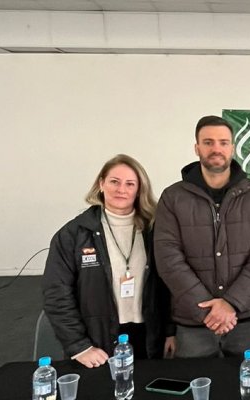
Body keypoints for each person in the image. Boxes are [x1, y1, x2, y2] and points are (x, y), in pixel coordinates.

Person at [154, 115, 250, 358]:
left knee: (248, 387)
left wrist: (231, 303)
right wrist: (209, 310)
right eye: (208, 142)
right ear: (197, 147)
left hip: (245, 317)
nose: (216, 149)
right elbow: (168, 258)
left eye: (223, 142)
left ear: (232, 147)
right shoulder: (172, 197)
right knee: (197, 390)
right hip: (192, 320)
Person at [43, 154, 175, 368]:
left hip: (151, 338)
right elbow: (56, 293)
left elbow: (169, 286)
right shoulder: (73, 234)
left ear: (139, 190)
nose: (121, 189)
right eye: (114, 181)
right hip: (97, 341)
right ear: (101, 184)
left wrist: (171, 332)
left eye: (130, 184)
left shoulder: (156, 231)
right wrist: (79, 346)